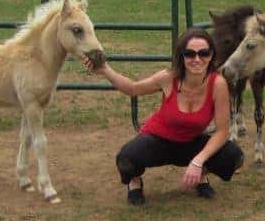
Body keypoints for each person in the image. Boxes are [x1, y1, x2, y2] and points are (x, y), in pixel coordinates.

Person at [83, 27, 243, 205]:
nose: (197, 59)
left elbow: (222, 131)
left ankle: (201, 175)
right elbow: (133, 88)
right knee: (126, 160)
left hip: (192, 143)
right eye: (190, 54)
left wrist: (198, 162)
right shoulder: (168, 78)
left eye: (204, 53)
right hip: (158, 140)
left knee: (233, 156)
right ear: (181, 56)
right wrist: (104, 69)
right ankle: (134, 182)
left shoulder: (218, 84)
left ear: (212, 55)